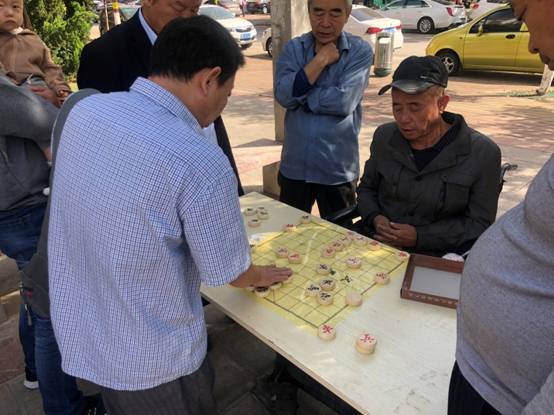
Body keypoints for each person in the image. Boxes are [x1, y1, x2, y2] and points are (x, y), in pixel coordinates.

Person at [48, 16, 292, 415]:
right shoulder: (199, 159)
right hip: (151, 354)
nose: (223, 106)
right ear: (209, 79)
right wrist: (256, 274)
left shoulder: (85, 110)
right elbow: (226, 270)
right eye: (228, 94)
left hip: (88, 327)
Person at [449, 0, 554, 413]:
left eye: (523, 15)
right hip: (483, 373)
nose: (530, 45)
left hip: (509, 398)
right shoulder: (387, 140)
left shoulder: (478, 151)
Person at [76, 0, 244, 195]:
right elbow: (104, 146)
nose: (187, 18)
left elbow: (211, 123)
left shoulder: (201, 40)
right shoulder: (104, 55)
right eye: (179, 8)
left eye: (194, 9)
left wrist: (233, 188)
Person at [0, 74, 88, 414]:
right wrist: (46, 98)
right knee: (52, 315)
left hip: (12, 210)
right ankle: (64, 407)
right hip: (24, 207)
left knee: (34, 295)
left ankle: (35, 371)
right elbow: (47, 120)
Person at [357, 56, 501, 257]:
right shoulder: (384, 136)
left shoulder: (482, 153)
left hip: (437, 255)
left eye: (415, 107)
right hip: (377, 243)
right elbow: (367, 188)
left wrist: (419, 237)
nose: (403, 118)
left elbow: (478, 224)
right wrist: (375, 218)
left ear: (442, 103)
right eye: (397, 107)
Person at [274, 0, 372, 217]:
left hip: (336, 169)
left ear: (347, 14)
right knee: (289, 232)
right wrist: (320, 61)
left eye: (335, 13)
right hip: (295, 166)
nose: (325, 23)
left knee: (341, 234)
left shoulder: (359, 51)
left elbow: (344, 101)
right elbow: (283, 96)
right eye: (318, 12)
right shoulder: (294, 49)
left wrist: (303, 92)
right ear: (309, 12)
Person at [0, 0, 71, 108]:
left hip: (35, 86)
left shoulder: (34, 40)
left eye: (15, 7)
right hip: (6, 88)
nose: (9, 12)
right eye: (0, 6)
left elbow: (50, 68)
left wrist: (60, 89)